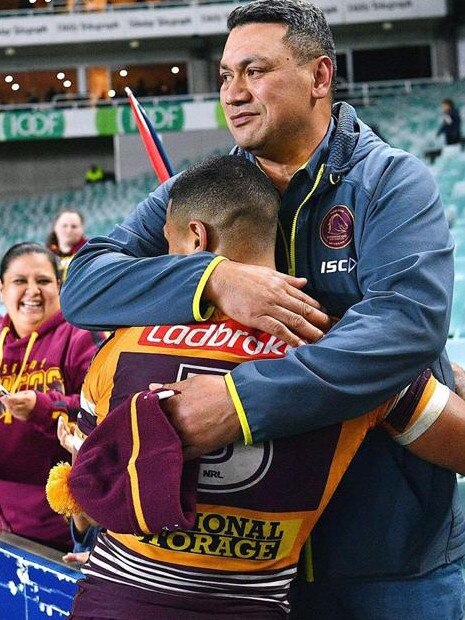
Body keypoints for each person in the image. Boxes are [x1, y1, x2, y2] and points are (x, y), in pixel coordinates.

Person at [61, 2, 462, 618]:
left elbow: (405, 329)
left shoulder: (391, 183)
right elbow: (86, 285)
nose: (234, 93)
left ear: (320, 76)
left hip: (382, 558)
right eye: (225, 76)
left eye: (255, 71)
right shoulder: (198, 188)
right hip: (240, 570)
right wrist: (214, 280)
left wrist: (242, 404)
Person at [0, 242, 101, 551]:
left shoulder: (82, 337)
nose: (33, 291)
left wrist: (41, 408)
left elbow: (100, 409)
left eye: (43, 281)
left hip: (59, 531)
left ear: (60, 286)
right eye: (20, 281)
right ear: (2, 289)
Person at [46, 209, 87, 281]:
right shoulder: (45, 255)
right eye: (64, 226)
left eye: (74, 226)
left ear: (82, 229)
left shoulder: (89, 251)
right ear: (55, 227)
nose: (69, 230)